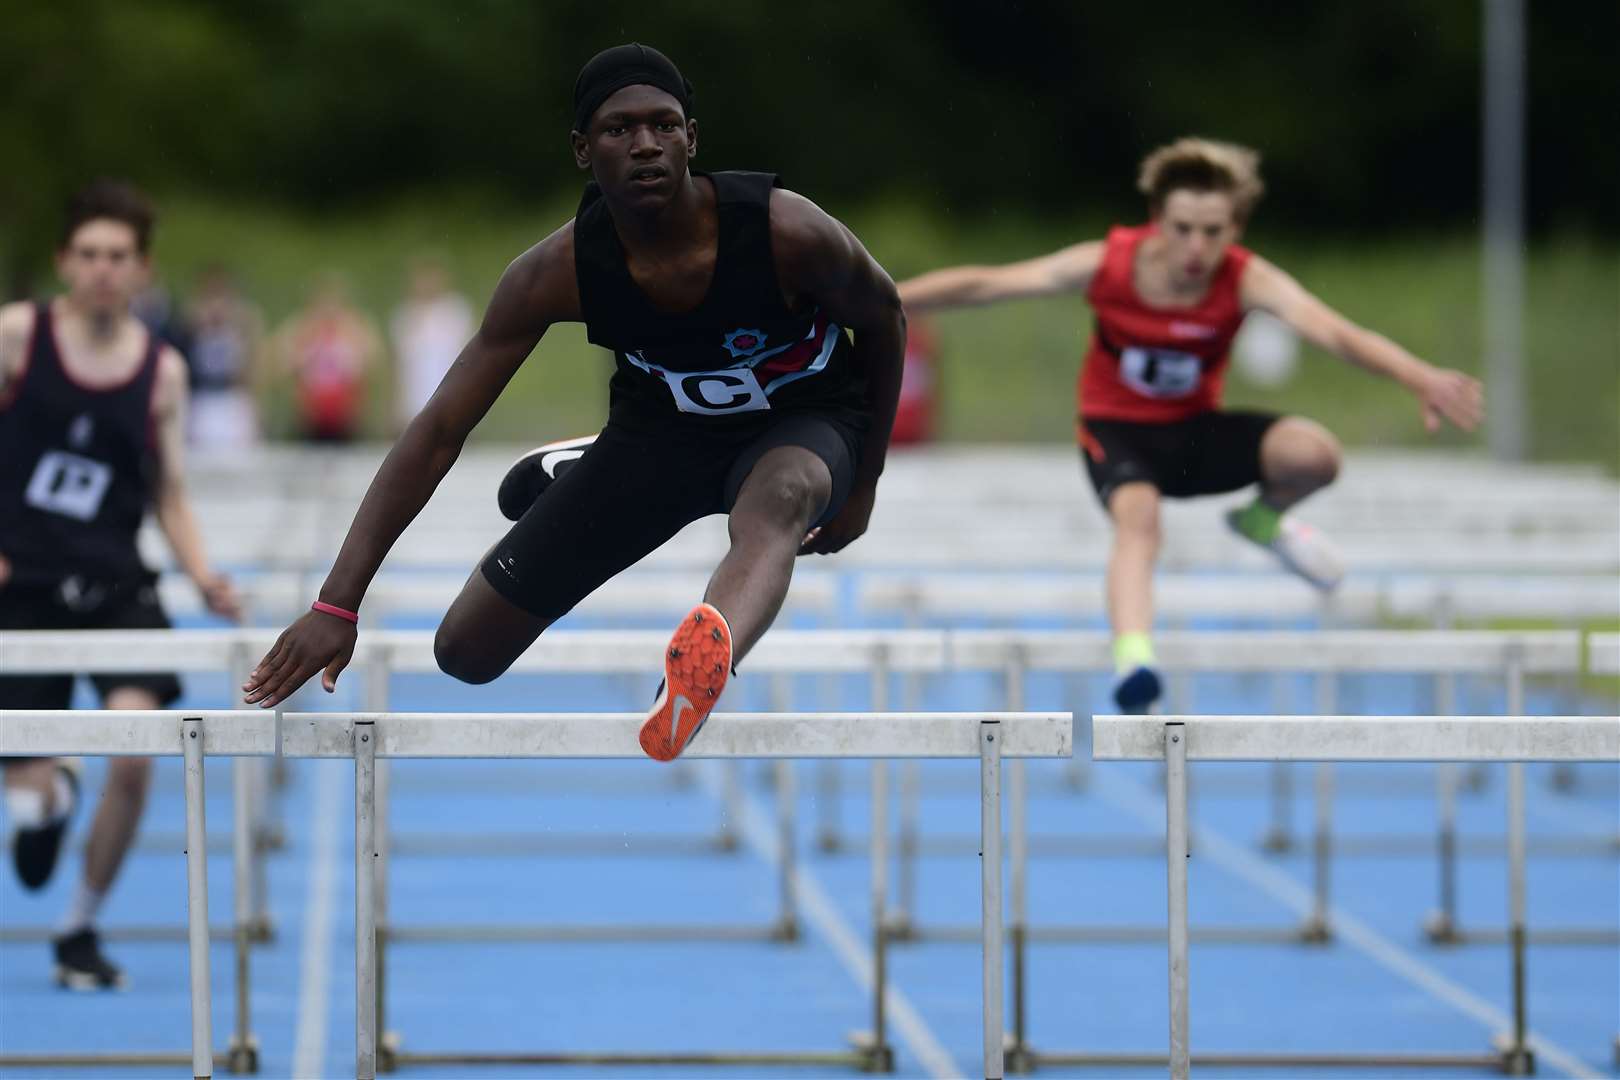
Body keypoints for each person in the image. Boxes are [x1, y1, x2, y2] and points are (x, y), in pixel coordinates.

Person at [243, 44, 905, 763]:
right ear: (583, 151)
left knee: (780, 497)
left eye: (664, 125)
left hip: (803, 423)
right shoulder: (554, 274)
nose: (646, 145)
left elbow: (885, 318)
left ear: (693, 139)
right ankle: (583, 464)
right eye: (620, 130)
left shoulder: (786, 232)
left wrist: (863, 481)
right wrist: (337, 603)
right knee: (466, 650)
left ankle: (700, 671)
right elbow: (437, 429)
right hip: (662, 440)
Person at [897, 138, 1482, 712]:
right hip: (1117, 431)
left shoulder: (1247, 279)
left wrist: (1419, 377)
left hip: (1194, 431)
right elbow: (987, 284)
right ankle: (1134, 661)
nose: (1196, 247)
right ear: (1157, 220)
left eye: (1213, 232)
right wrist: (886, 299)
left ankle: (1260, 520)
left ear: (1236, 230)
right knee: (1140, 521)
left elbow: (1335, 332)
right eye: (1182, 229)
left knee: (1316, 456)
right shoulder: (1107, 264)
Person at [0, 179, 241, 988]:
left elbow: (169, 490)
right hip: (23, 583)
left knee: (137, 753)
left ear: (142, 270)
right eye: (90, 255)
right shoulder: (16, 339)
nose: (104, 270)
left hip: (115, 582)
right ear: (67, 261)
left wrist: (203, 574)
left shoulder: (162, 372)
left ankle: (78, 930)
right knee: (27, 791)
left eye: (120, 258)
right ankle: (50, 793)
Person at [273, 273, 382, 443]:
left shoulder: (354, 329)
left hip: (345, 412)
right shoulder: (302, 329)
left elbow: (372, 362)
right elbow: (283, 364)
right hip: (311, 413)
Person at [183, 264, 266, 450]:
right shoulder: (193, 321)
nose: (216, 304)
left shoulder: (244, 320)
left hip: (233, 397)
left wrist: (255, 406)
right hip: (202, 397)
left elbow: (253, 365)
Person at [391, 254, 474, 433]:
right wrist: (396, 403)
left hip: (451, 395)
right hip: (415, 400)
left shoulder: (455, 311)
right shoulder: (406, 315)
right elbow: (401, 362)